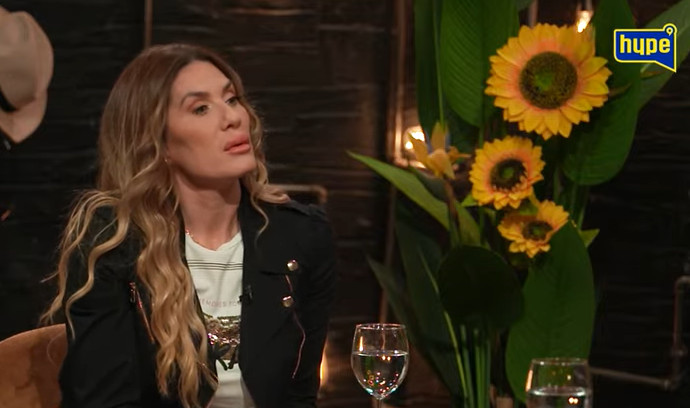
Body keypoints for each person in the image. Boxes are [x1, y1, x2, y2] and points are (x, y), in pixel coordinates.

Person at [41, 43, 337, 408]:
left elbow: (299, 396)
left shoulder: (300, 235)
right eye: (200, 108)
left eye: (231, 99)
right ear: (158, 143)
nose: (232, 118)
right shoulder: (114, 243)